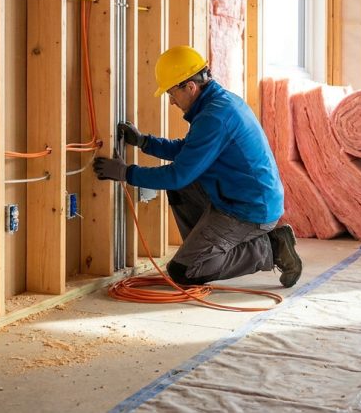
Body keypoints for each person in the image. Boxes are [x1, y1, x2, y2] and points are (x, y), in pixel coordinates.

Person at [93, 45, 303, 288]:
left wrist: (125, 173)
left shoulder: (215, 116)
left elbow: (177, 174)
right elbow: (189, 151)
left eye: (172, 93)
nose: (171, 101)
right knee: (182, 188)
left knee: (184, 271)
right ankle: (203, 249)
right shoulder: (216, 104)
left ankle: (270, 247)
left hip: (249, 211)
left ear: (190, 87)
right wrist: (145, 142)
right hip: (236, 197)